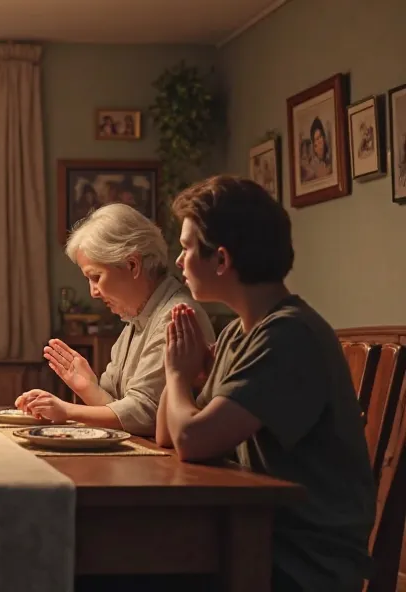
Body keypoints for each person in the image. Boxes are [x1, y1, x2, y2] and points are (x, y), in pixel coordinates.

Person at [158, 175, 375, 591]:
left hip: (301, 561)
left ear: (221, 260)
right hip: (256, 535)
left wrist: (178, 374)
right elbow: (168, 435)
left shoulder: (289, 335)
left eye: (186, 248)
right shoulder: (240, 333)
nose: (179, 262)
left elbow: (190, 439)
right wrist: (182, 374)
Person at [16, 203, 213, 436]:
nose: (93, 292)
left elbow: (145, 415)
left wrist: (67, 411)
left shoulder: (174, 316)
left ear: (132, 264)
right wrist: (88, 387)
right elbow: (118, 413)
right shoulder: (136, 318)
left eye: (96, 277)